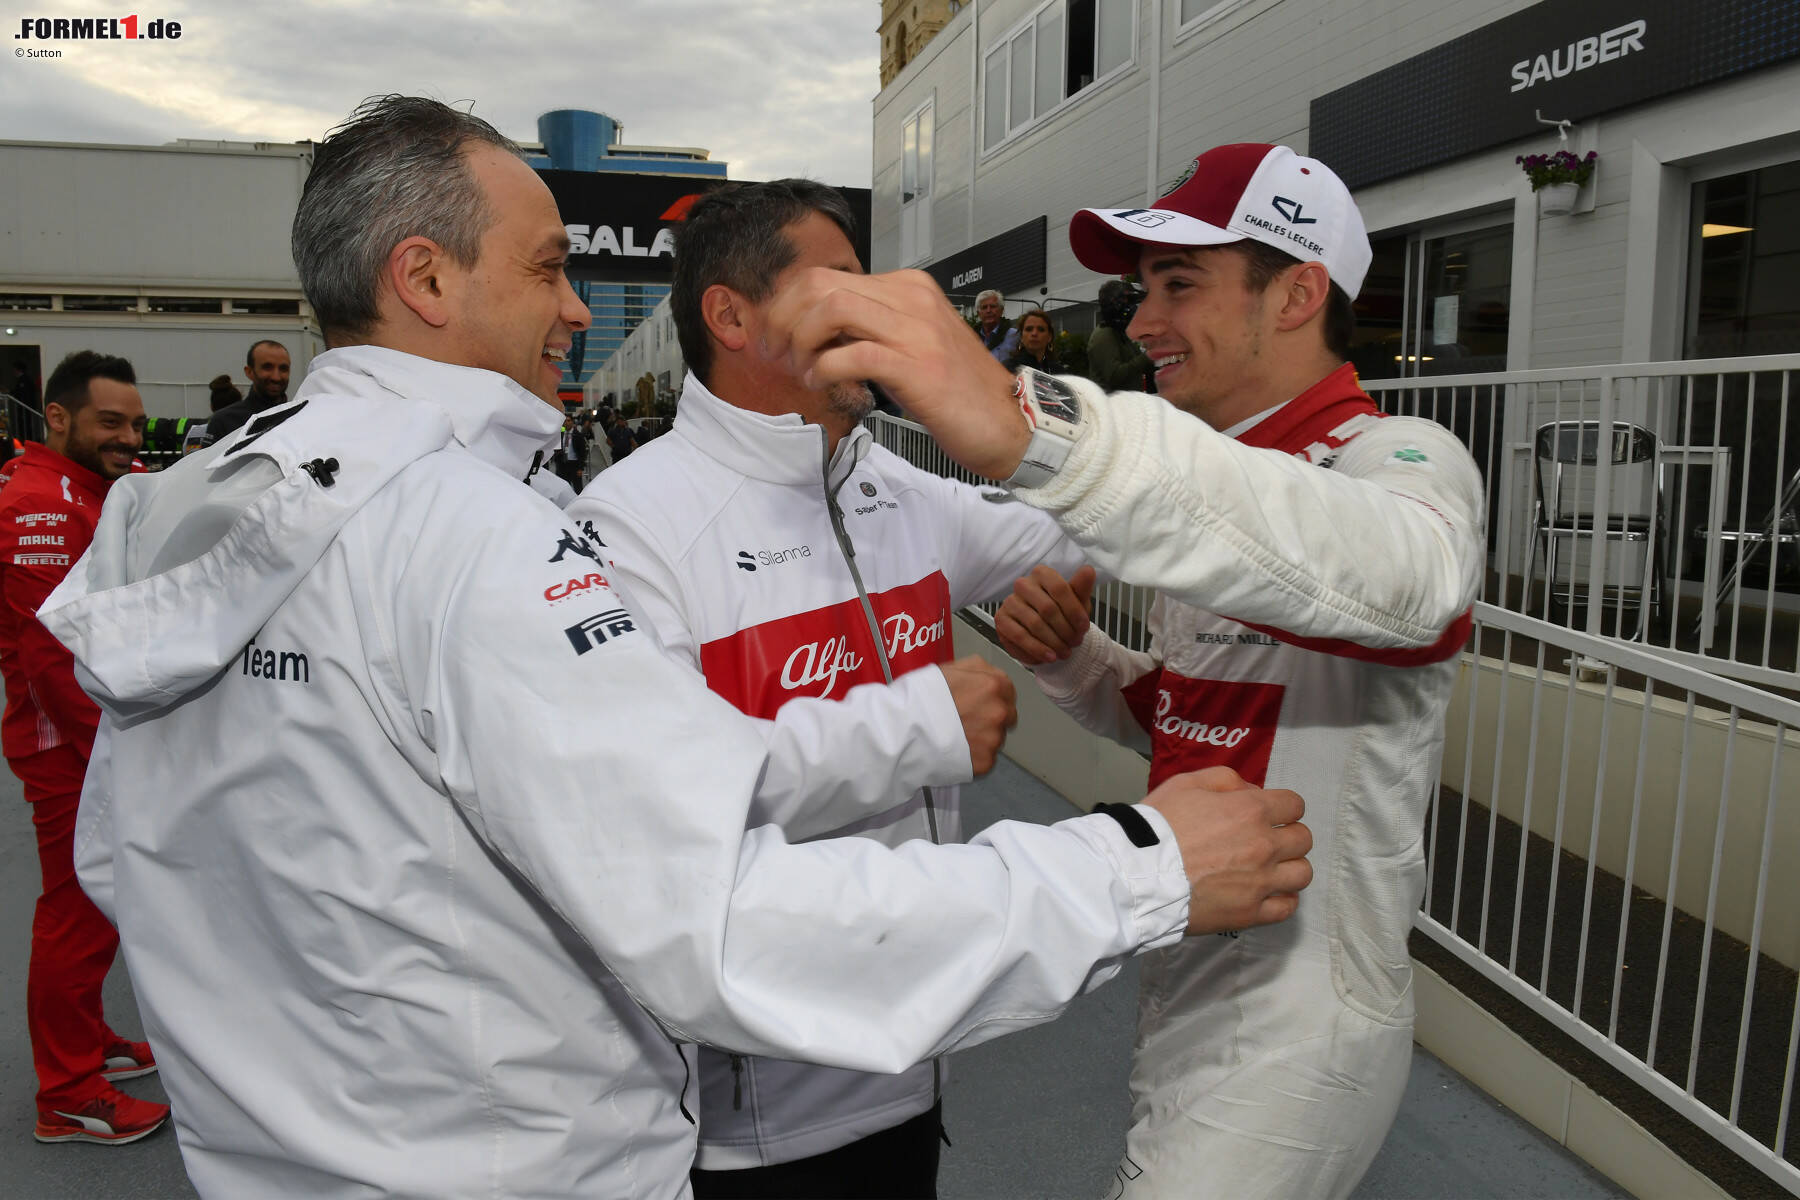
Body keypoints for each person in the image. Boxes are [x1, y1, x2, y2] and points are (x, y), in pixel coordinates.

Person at [41, 96, 1311, 1198]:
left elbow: (125, 864)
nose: (573, 307)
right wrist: (1138, 866)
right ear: (425, 280)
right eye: (548, 268)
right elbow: (715, 919)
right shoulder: (487, 534)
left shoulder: (170, 512)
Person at [759, 142, 1485, 1200]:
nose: (1142, 324)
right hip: (1191, 960)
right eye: (1143, 289)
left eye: (1178, 284)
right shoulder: (1229, 474)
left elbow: (1418, 587)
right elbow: (1192, 720)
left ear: (1297, 294)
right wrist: (1077, 660)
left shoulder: (1399, 458)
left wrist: (1041, 429)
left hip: (1295, 1016)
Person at [571, 179, 1089, 1199]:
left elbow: (1087, 534)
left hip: (913, 1061)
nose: (881, 308)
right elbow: (658, 809)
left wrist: (1009, 414)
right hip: (751, 1123)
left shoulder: (887, 481)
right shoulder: (627, 525)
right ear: (731, 316)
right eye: (842, 284)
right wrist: (920, 725)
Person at [0, 350, 163, 1145]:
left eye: (134, 423)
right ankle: (66, 1091)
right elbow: (51, 654)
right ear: (57, 417)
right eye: (110, 422)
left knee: (97, 903)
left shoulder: (82, 488)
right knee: (78, 910)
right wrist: (121, 755)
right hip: (66, 740)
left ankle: (86, 1041)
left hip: (83, 734)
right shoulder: (40, 501)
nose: (128, 437)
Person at [204, 339, 291, 441]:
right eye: (267, 367)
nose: (276, 377)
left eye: (283, 369)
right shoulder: (222, 421)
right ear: (249, 372)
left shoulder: (299, 418)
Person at [1086, 279, 1152, 392]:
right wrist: (1147, 356)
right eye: (1127, 302)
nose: (1132, 307)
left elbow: (1140, 366)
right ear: (1114, 304)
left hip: (1128, 400)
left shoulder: (1119, 332)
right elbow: (1114, 376)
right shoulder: (1104, 334)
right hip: (1111, 402)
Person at [1003, 308, 1064, 374]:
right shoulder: (1007, 369)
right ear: (1021, 337)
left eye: (1041, 329)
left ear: (1049, 337)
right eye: (1029, 329)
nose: (1034, 333)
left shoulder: (1059, 372)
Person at [971, 288, 1018, 361]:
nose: (988, 310)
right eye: (984, 307)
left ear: (1001, 310)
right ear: (978, 313)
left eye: (993, 306)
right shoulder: (971, 338)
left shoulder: (1015, 335)